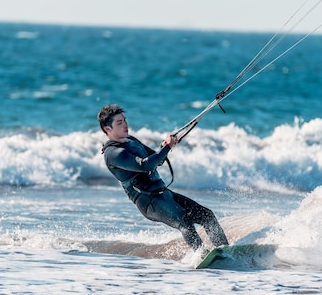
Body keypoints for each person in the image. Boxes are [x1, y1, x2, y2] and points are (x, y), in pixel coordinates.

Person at [98, 104, 229, 252]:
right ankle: (202, 255)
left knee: (207, 216)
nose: (125, 125)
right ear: (107, 129)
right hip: (149, 201)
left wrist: (165, 146)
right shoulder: (113, 153)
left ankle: (225, 251)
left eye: (125, 120)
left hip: (163, 193)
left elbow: (156, 159)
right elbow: (144, 166)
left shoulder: (131, 140)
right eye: (119, 123)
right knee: (184, 222)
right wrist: (167, 148)